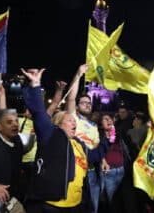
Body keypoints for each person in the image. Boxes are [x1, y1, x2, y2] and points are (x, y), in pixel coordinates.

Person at [21, 67, 105, 213]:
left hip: (76, 205)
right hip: (53, 206)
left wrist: (108, 140)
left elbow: (94, 155)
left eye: (74, 121)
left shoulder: (78, 143)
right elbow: (39, 113)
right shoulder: (51, 135)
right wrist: (35, 85)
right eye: (70, 121)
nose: (74, 124)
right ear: (59, 123)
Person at [66, 64, 101, 213]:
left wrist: (103, 161)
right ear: (78, 106)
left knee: (91, 205)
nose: (87, 104)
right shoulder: (73, 117)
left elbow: (96, 147)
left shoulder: (94, 126)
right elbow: (71, 98)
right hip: (72, 168)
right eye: (83, 102)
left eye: (89, 103)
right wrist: (78, 74)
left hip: (90, 171)